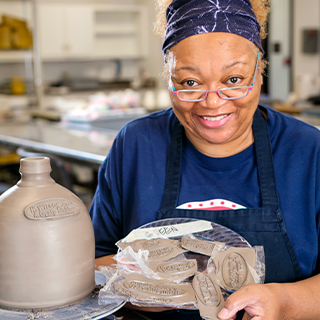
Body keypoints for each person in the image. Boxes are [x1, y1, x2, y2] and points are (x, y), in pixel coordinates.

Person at [90, 0, 320, 319]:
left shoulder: (309, 152)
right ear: (168, 78)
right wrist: (133, 288)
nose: (212, 102)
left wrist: (285, 302)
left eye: (234, 80)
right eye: (190, 83)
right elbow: (91, 265)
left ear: (260, 71)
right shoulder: (136, 146)